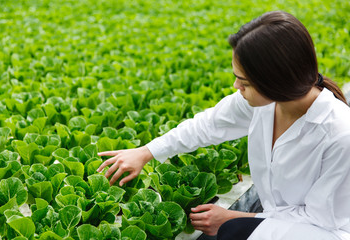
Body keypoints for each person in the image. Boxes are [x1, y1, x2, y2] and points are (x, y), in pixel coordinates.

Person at [97, 11, 350, 240]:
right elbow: (208, 124)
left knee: (233, 231)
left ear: (276, 82)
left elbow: (322, 220)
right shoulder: (264, 103)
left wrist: (234, 218)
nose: (236, 88)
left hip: (320, 233)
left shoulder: (339, 134)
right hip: (280, 221)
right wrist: (146, 152)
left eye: (245, 82)